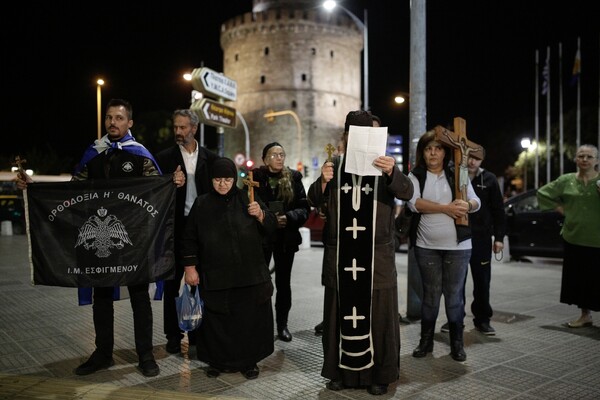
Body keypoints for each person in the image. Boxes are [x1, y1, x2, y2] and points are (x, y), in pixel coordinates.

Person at [15, 98, 186, 377]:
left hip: (134, 244)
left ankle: (145, 355)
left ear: (129, 123)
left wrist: (174, 183)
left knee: (139, 297)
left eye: (119, 118)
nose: (112, 123)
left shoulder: (141, 155)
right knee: (102, 296)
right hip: (98, 243)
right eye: (109, 118)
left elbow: (158, 189)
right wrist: (33, 189)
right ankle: (102, 353)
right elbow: (72, 193)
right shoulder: (93, 153)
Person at [307, 110, 414, 396]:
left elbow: (407, 192)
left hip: (376, 259)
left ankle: (381, 375)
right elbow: (313, 199)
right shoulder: (335, 164)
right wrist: (322, 182)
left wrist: (393, 171)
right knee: (336, 317)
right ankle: (340, 374)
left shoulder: (385, 166)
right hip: (341, 258)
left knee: (380, 320)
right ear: (346, 136)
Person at [180, 157, 278, 380]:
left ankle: (249, 361)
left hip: (249, 276)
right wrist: (190, 268)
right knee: (217, 323)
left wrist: (261, 215)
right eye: (217, 179)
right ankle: (217, 361)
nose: (222, 184)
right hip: (216, 276)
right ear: (211, 180)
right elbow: (189, 238)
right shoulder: (202, 204)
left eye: (227, 179)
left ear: (234, 180)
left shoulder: (248, 199)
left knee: (248, 321)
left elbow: (272, 227)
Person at [406, 130, 480, 362]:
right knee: (430, 296)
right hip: (426, 245)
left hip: (459, 246)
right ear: (423, 153)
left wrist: (466, 205)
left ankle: (457, 343)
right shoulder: (415, 175)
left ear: (445, 152)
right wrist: (447, 208)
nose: (433, 152)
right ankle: (425, 341)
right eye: (428, 149)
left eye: (438, 148)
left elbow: (476, 201)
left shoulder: (459, 173)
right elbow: (413, 203)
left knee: (455, 296)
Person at [155, 109, 219, 354]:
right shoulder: (164, 158)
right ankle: (173, 335)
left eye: (183, 127)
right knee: (172, 283)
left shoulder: (211, 159)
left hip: (202, 227)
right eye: (175, 127)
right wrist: (169, 183)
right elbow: (154, 192)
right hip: (174, 227)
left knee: (200, 281)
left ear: (194, 128)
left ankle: (197, 334)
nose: (178, 132)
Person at [440, 149, 506, 335]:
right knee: (456, 283)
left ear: (482, 160)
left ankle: (483, 320)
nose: (472, 162)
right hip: (457, 237)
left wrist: (499, 238)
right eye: (470, 157)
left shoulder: (490, 179)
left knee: (482, 281)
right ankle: (455, 319)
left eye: (477, 159)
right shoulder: (452, 176)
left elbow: (498, 210)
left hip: (481, 239)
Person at [249, 142, 310, 342]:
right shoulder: (255, 177)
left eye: (282, 154)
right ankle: (260, 325)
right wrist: (269, 219)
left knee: (284, 284)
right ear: (265, 159)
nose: (279, 158)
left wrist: (289, 217)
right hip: (262, 238)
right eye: (274, 155)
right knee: (261, 283)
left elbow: (304, 208)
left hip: (286, 238)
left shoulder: (293, 177)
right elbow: (250, 204)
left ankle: (282, 326)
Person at [537, 144, 600, 328]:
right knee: (580, 280)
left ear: (596, 160)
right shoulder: (566, 180)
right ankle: (585, 315)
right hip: (574, 237)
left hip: (598, 239)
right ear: (576, 159)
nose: (585, 160)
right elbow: (543, 194)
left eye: (589, 157)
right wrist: (561, 209)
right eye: (581, 156)